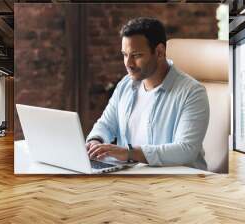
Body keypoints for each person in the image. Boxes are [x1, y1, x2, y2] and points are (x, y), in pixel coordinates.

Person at [86, 17, 209, 170]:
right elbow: (105, 124)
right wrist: (95, 141)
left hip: (180, 183)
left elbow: (186, 150)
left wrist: (129, 153)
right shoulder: (125, 84)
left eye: (136, 55)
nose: (128, 64)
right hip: (132, 177)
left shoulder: (192, 92)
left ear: (159, 52)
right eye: (125, 54)